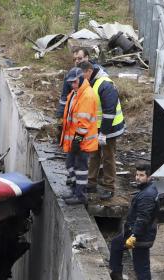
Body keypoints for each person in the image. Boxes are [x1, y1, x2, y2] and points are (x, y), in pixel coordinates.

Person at [109, 163, 158, 280]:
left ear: (149, 177)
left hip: (141, 236)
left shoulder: (147, 195)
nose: (138, 178)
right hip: (136, 233)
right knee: (116, 244)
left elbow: (142, 218)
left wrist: (134, 236)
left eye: (141, 175)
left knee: (141, 267)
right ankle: (116, 272)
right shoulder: (146, 191)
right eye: (137, 174)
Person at [61, 61, 100, 205]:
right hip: (76, 140)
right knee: (70, 164)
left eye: (75, 82)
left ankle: (80, 195)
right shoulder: (76, 93)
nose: (73, 85)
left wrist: (77, 140)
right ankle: (75, 191)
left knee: (80, 168)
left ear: (81, 78)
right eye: (71, 83)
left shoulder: (87, 95)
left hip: (82, 141)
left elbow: (84, 122)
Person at [87, 71, 125, 201]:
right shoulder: (92, 82)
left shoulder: (106, 85)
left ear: (89, 71)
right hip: (96, 127)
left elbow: (109, 112)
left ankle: (109, 187)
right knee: (94, 154)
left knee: (108, 157)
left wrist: (103, 133)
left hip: (110, 128)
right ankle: (91, 182)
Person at [54, 47, 107, 121]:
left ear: (87, 57)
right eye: (74, 59)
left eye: (79, 58)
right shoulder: (70, 76)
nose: (77, 61)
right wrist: (60, 116)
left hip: (98, 118)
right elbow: (64, 97)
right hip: (79, 116)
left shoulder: (99, 73)